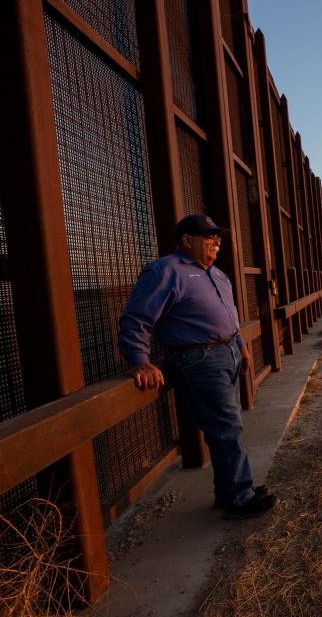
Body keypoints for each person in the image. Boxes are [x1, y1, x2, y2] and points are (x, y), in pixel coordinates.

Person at [119, 214, 276, 519]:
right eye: (208, 236)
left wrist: (242, 346)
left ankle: (230, 490)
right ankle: (239, 498)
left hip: (228, 352)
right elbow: (136, 319)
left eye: (217, 237)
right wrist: (140, 361)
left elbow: (230, 317)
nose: (216, 241)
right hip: (198, 359)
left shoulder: (218, 275)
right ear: (187, 241)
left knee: (226, 427)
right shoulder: (165, 271)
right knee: (227, 427)